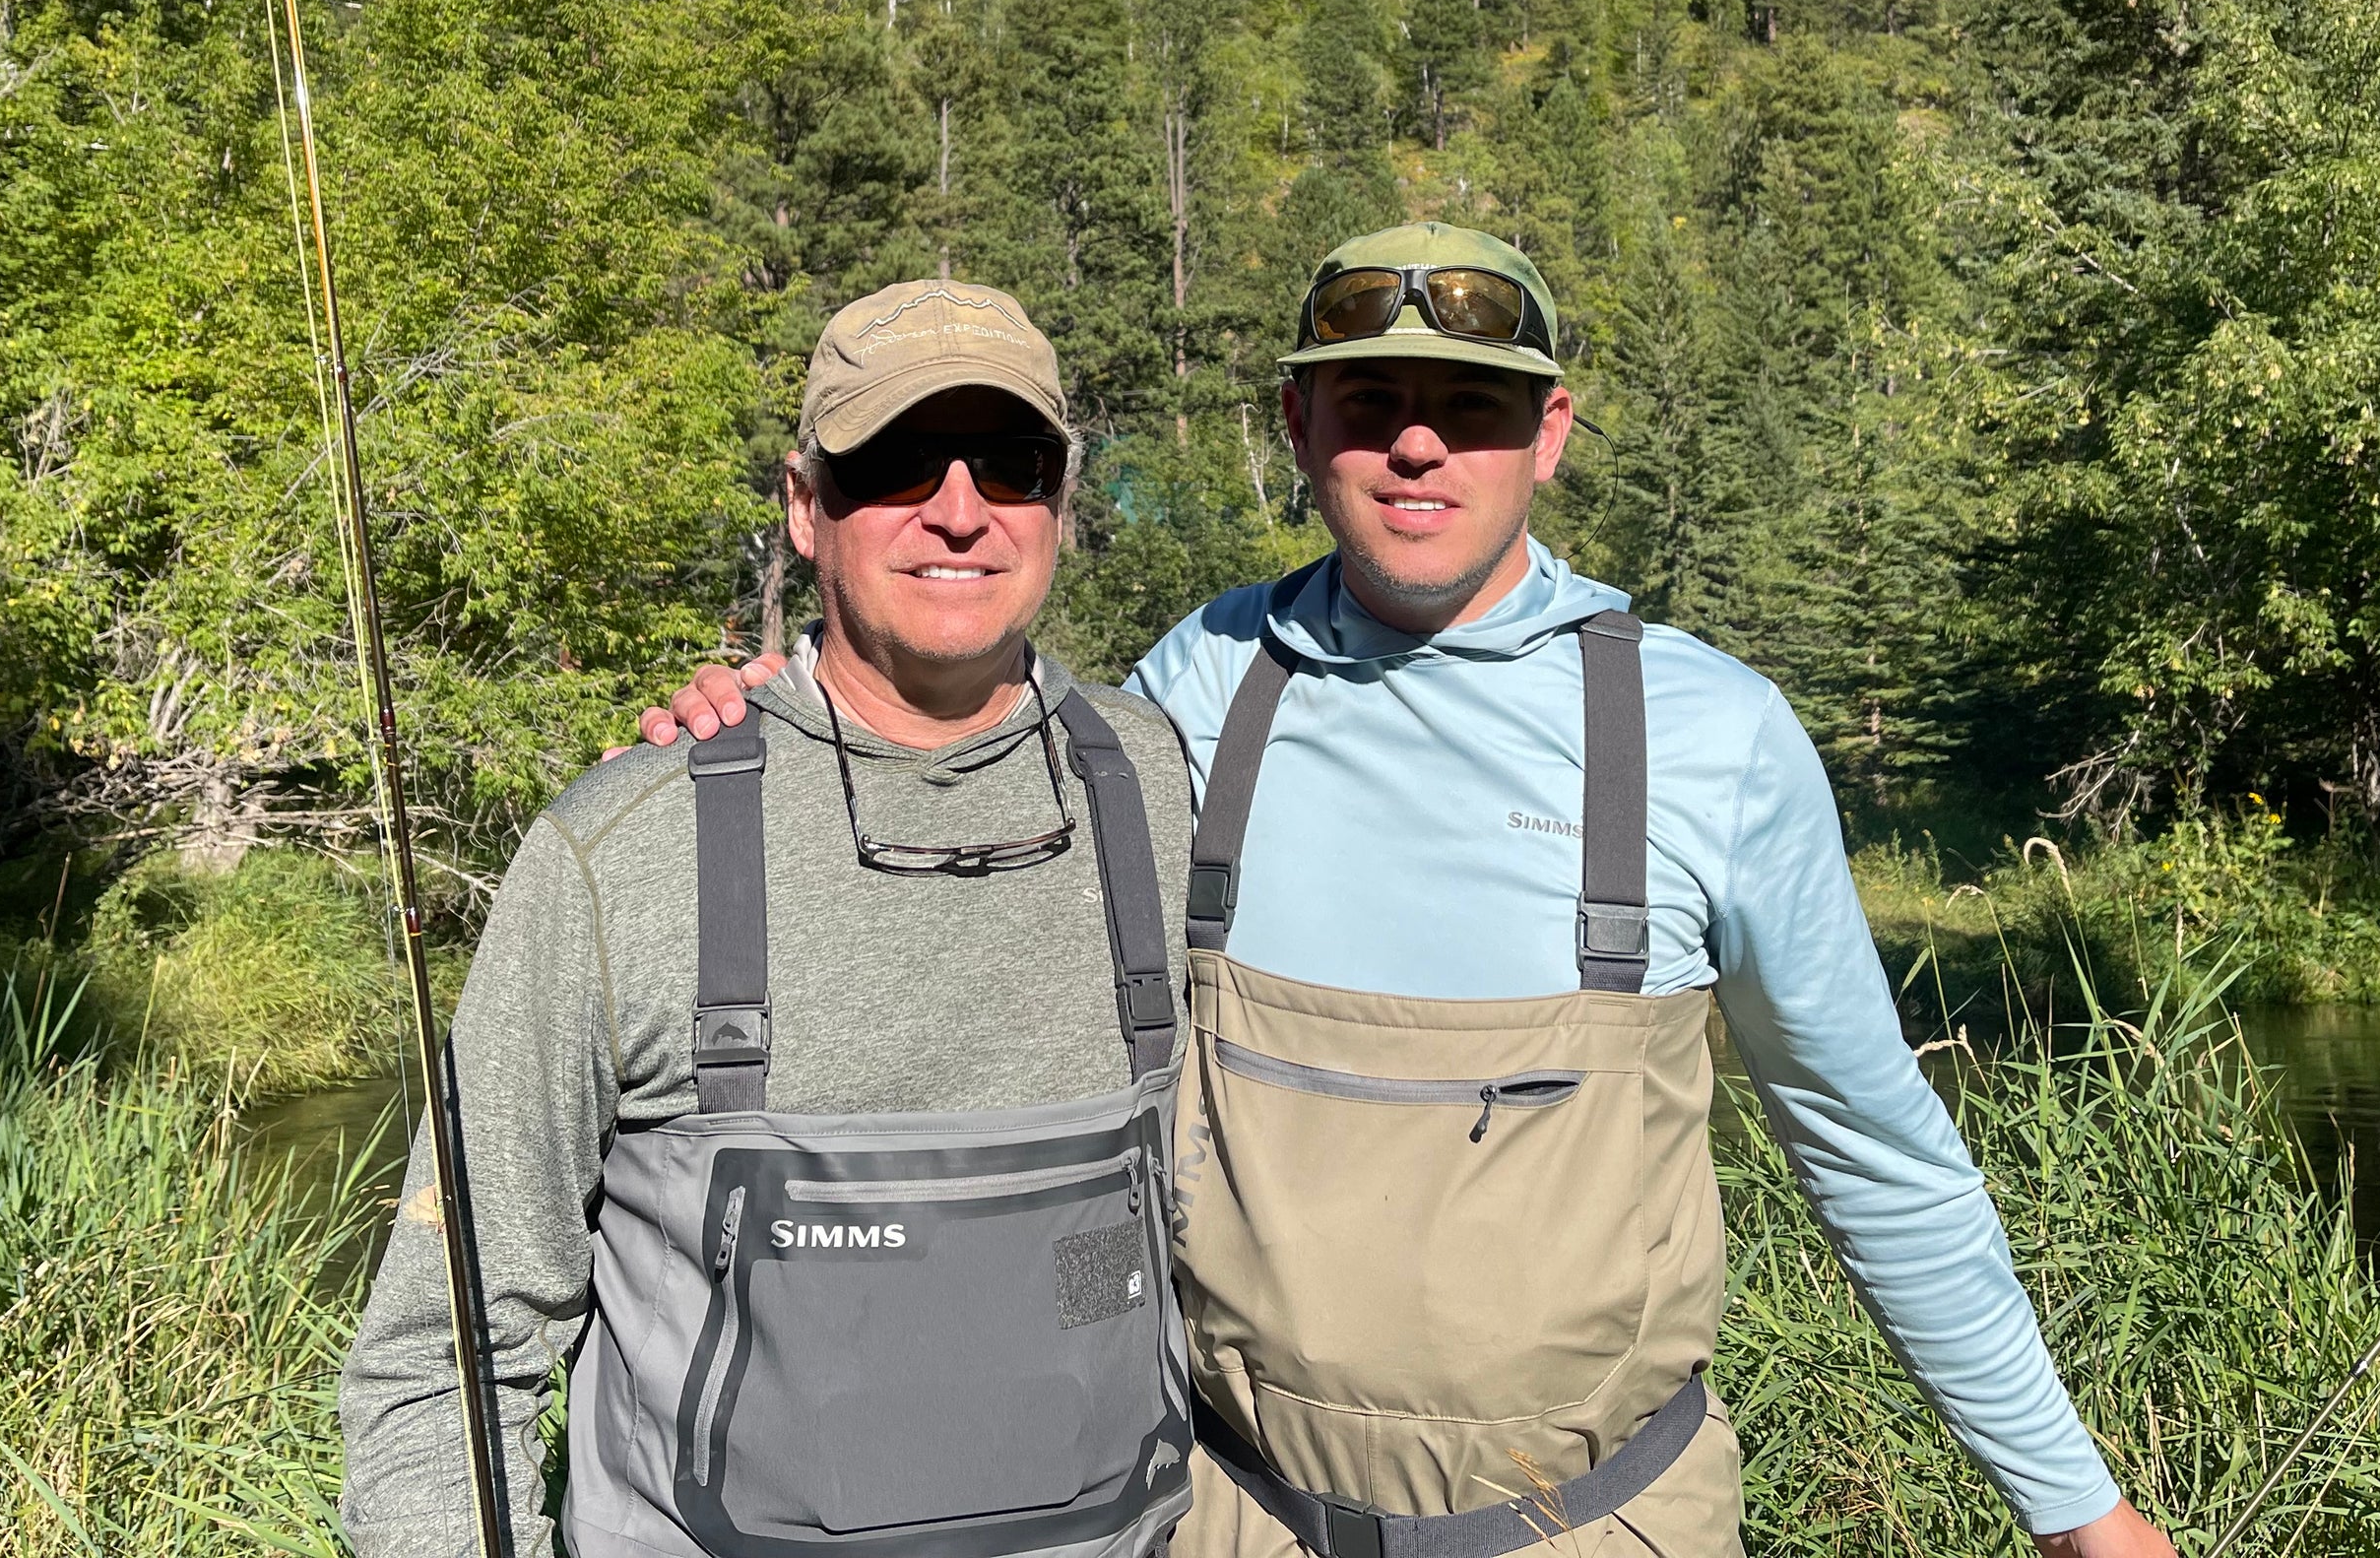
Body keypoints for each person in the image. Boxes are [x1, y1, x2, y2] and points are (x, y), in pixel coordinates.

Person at [646, 226, 2175, 1558]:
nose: (1419, 446)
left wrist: (2075, 1508)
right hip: (1230, 1516)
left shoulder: (1713, 739)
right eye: (1371, 401)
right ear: (1302, 425)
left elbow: (1874, 1153)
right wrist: (765, 730)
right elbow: (959, 773)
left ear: (1552, 432)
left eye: (1472, 407)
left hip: (1602, 1527)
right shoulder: (1199, 685)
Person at [344, 279, 1199, 1558]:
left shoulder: (1158, 789)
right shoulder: (623, 850)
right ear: (808, 506)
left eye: (1009, 464)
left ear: (1062, 505)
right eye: (901, 461)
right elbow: (451, 1350)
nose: (958, 511)